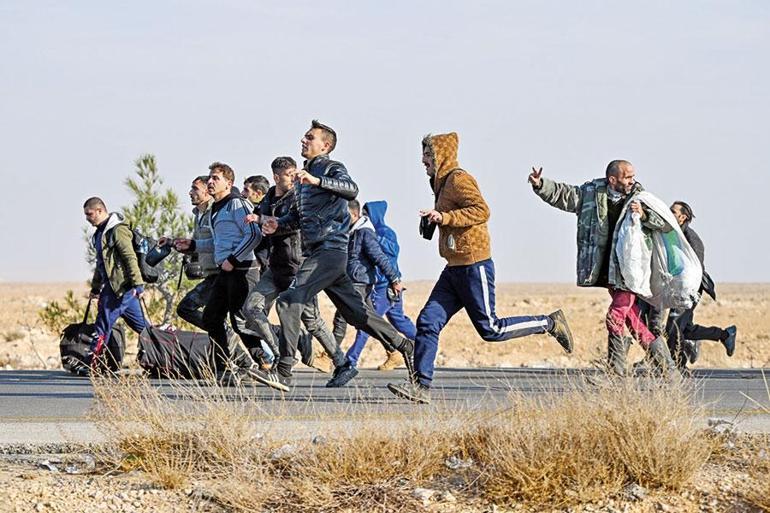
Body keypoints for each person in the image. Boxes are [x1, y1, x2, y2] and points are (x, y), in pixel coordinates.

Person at [387, 132, 574, 404]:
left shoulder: (459, 179)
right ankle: (420, 386)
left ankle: (549, 322)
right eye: (423, 154)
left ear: (441, 156)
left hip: (474, 266)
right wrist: (434, 219)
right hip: (453, 268)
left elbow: (481, 210)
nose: (423, 160)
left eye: (428, 155)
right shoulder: (439, 184)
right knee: (428, 321)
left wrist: (445, 216)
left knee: (491, 329)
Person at [256, 120, 415, 391]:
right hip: (320, 252)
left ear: (325, 145)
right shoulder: (306, 176)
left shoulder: (330, 168)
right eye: (304, 137)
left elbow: (351, 189)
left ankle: (283, 372)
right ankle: (403, 347)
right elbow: (301, 217)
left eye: (310, 137)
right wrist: (278, 224)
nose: (303, 140)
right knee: (357, 314)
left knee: (288, 301)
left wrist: (317, 179)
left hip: (331, 249)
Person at [528, 160, 678, 378]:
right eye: (627, 177)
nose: (632, 180)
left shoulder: (640, 198)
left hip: (630, 272)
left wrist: (644, 215)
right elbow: (565, 195)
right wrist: (541, 184)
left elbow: (664, 222)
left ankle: (615, 374)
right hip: (609, 271)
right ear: (612, 180)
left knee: (615, 317)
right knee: (633, 321)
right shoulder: (591, 193)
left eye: (633, 176)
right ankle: (669, 371)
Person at [242, 156, 343, 373]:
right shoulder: (269, 196)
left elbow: (295, 224)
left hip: (298, 267)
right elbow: (262, 221)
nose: (293, 177)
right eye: (288, 174)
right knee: (251, 308)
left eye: (294, 173)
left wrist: (264, 222)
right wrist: (258, 220)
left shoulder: (299, 196)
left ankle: (342, 362)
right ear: (276, 177)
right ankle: (282, 353)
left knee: (312, 321)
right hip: (275, 266)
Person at [172, 162, 266, 379]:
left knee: (240, 320)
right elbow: (217, 244)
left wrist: (233, 260)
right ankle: (223, 369)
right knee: (213, 317)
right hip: (226, 270)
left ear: (228, 183)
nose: (211, 182)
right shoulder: (216, 208)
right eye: (210, 178)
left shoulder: (237, 204)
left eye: (215, 178)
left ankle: (266, 359)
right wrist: (193, 245)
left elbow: (254, 235)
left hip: (244, 269)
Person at [340, 200, 417, 370]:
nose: (365, 216)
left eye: (367, 214)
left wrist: (373, 239)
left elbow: (390, 253)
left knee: (367, 322)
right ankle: (423, 346)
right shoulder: (362, 232)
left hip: (385, 286)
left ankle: (350, 360)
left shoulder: (382, 232)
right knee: (399, 321)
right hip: (385, 284)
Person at [666, 201, 737, 370]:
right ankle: (725, 334)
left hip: (690, 290)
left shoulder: (692, 239)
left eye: (672, 211)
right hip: (677, 289)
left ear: (683, 217)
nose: (669, 213)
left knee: (673, 328)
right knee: (686, 329)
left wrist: (685, 291)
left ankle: (679, 367)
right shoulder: (674, 235)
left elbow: (695, 270)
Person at [83, 197, 147, 369]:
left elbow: (129, 257)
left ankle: (93, 364)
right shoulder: (99, 234)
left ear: (99, 211)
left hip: (120, 288)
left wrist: (138, 284)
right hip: (114, 288)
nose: (88, 218)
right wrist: (96, 288)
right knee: (142, 326)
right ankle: (165, 353)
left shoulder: (117, 231)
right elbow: (101, 264)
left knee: (103, 323)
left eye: (89, 214)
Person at [242, 175, 271, 273]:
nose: (242, 194)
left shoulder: (269, 210)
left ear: (258, 193)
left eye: (246, 190)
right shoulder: (254, 209)